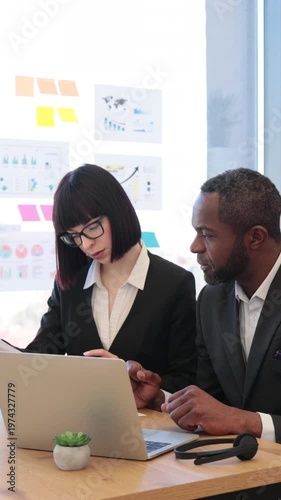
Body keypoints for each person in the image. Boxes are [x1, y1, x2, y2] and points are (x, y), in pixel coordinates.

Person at [127, 167, 281, 443]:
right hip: (231, 472)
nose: (194, 246)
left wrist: (245, 421)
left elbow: (230, 416)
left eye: (207, 234)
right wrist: (160, 399)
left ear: (255, 237)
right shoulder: (211, 301)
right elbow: (213, 404)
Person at [22, 164, 197, 394]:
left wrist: (132, 380)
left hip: (149, 427)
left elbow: (187, 380)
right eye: (73, 236)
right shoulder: (71, 283)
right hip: (78, 427)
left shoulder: (174, 284)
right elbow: (39, 357)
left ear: (118, 211)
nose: (86, 244)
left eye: (92, 227)